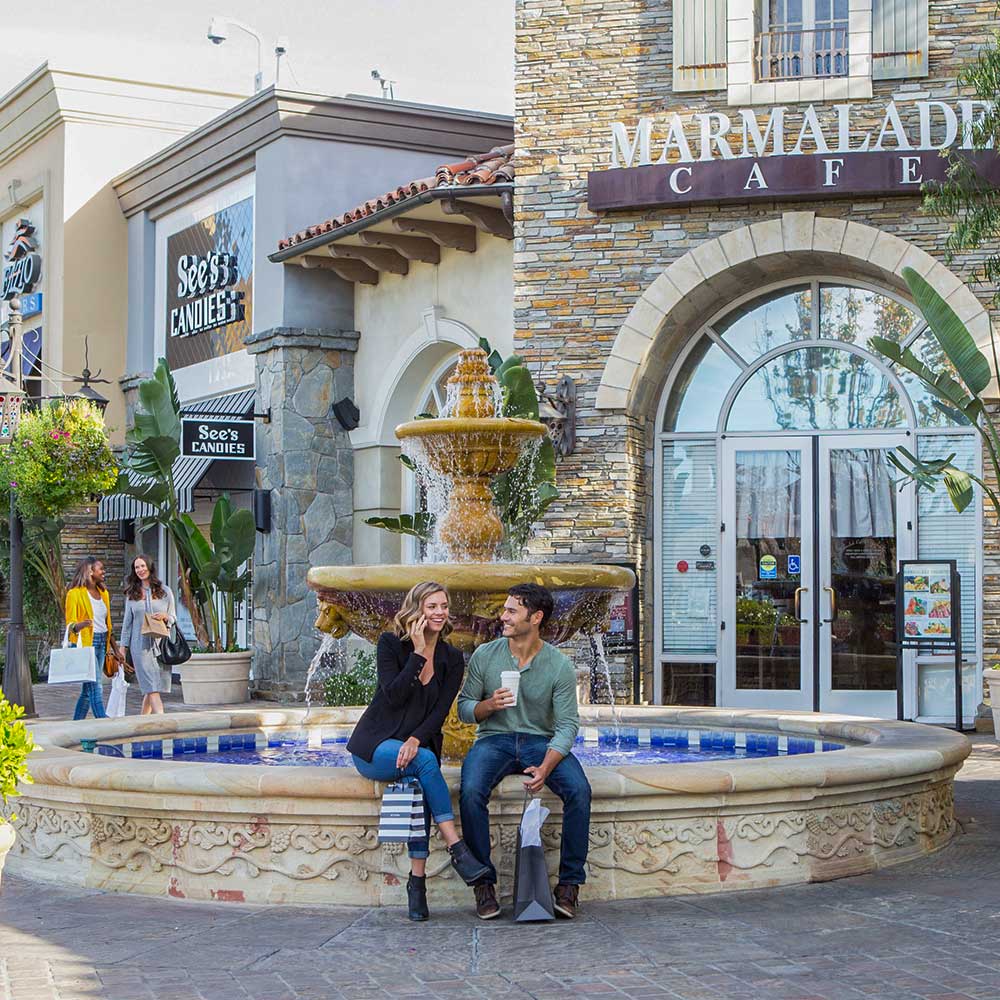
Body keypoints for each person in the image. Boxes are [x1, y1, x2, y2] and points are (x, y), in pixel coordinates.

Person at [347, 581, 490, 921]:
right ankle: (457, 848)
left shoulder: (453, 659)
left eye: (443, 606)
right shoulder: (390, 645)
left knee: (422, 780)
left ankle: (417, 884)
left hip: (416, 749)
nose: (440, 612)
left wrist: (413, 740)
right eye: (432, 606)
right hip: (374, 746)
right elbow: (393, 696)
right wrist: (417, 651)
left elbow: (440, 712)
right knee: (425, 763)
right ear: (416, 611)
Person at [458, 582, 590, 920]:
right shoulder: (486, 655)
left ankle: (569, 886)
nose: (503, 616)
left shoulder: (558, 665)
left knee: (579, 789)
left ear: (536, 617)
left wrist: (546, 767)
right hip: (494, 739)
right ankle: (483, 884)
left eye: (511, 611)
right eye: (505, 609)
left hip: (539, 742)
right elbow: (464, 708)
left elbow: (566, 727)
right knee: (471, 790)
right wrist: (488, 705)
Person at [65, 557, 124, 721]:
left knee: (87, 690)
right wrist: (81, 625)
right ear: (90, 571)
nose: (103, 572)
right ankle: (102, 721)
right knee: (95, 684)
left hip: (102, 641)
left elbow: (108, 624)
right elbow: (70, 625)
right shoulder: (74, 594)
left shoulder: (103, 593)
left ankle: (75, 725)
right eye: (101, 569)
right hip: (86, 644)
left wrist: (116, 650)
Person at [120, 555, 175, 715]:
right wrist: (123, 648)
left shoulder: (165, 591)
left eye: (142, 566)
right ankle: (162, 721)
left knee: (151, 687)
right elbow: (127, 624)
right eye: (137, 567)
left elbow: (173, 617)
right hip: (140, 646)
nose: (140, 570)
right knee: (151, 686)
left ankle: (143, 721)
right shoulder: (132, 594)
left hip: (160, 644)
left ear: (149, 567)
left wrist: (165, 617)